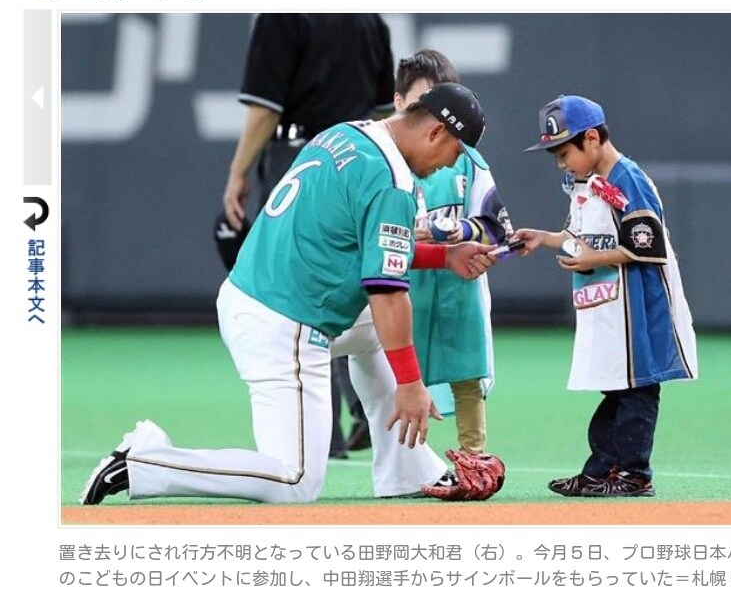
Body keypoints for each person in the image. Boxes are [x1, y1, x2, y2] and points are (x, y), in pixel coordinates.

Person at [80, 82, 497, 506]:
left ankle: (408, 470)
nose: (451, 165)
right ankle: (145, 463)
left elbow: (360, 244)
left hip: (253, 295)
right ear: (436, 132)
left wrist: (443, 256)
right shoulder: (392, 182)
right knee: (294, 481)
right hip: (284, 326)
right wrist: (409, 384)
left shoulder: (347, 134)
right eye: (456, 152)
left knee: (381, 330)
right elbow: (386, 291)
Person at [219, 13, 393, 458]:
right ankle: (365, 409)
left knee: (303, 294)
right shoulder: (369, 18)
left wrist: (238, 172)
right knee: (356, 286)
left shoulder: (284, 12)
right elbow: (383, 113)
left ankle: (321, 434)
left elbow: (265, 108)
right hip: (362, 163)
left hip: (304, 159)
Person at [514, 94, 698, 497]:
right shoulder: (584, 181)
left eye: (564, 153)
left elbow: (648, 245)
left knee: (637, 386)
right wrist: (544, 238)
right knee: (617, 385)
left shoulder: (627, 178)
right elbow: (578, 235)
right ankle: (601, 471)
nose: (561, 163)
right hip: (608, 301)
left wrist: (593, 258)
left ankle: (635, 475)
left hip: (640, 300)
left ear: (592, 139)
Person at [394, 50, 514, 461]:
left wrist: (456, 231)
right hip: (402, 287)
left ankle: (472, 458)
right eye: (420, 103)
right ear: (398, 102)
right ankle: (411, 464)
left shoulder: (467, 160)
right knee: (401, 375)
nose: (432, 118)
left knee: (467, 374)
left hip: (459, 288)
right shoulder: (384, 158)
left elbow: (498, 228)